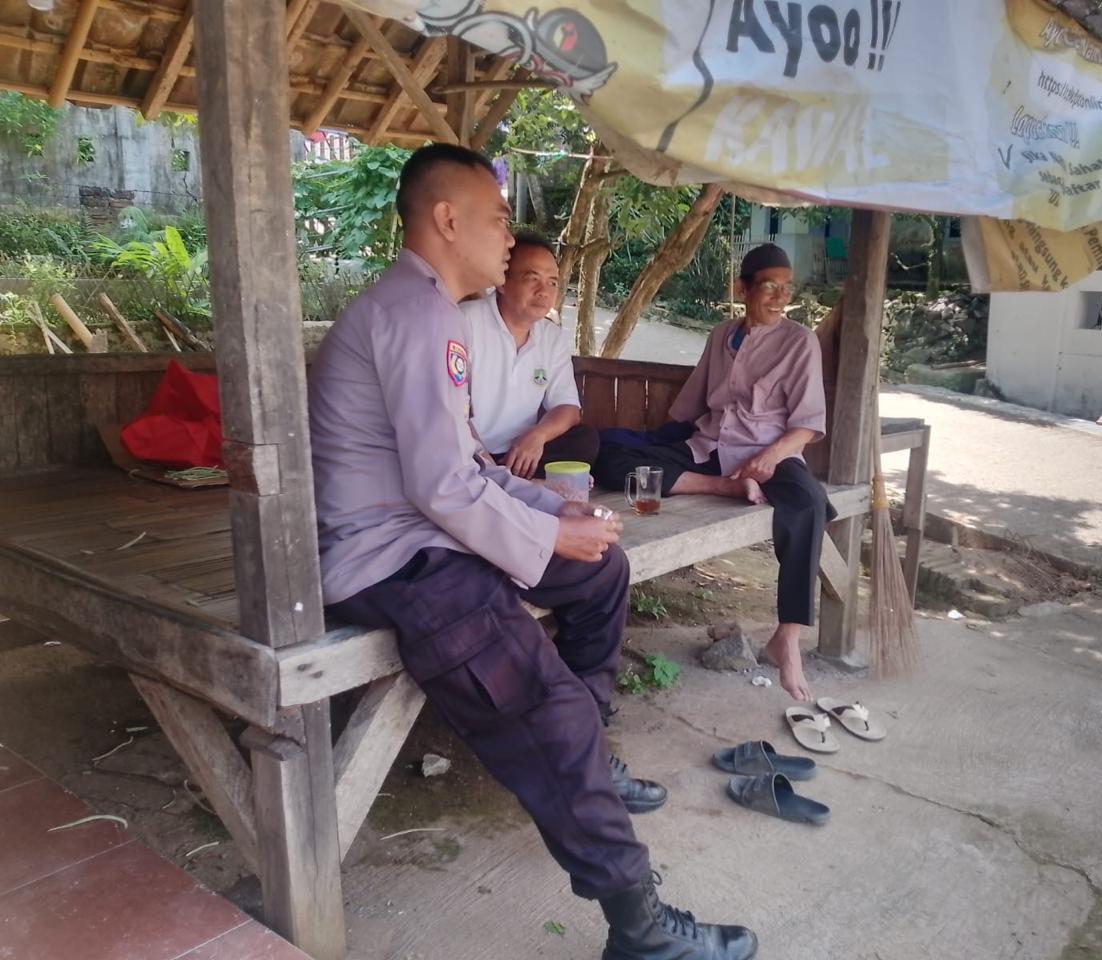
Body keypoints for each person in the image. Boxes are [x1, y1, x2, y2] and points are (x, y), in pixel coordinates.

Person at [308, 143, 756, 960]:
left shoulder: (431, 310)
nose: (510, 238)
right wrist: (548, 532)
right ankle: (640, 928)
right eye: (499, 218)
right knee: (550, 710)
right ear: (448, 220)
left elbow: (467, 465)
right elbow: (442, 488)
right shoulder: (415, 315)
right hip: (393, 559)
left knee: (601, 568)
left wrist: (557, 510)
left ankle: (589, 746)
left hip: (432, 530)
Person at [596, 243, 832, 703]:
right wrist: (655, 443)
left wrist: (770, 456)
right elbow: (690, 405)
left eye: (787, 288)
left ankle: (787, 638)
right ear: (742, 289)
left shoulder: (799, 342)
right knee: (611, 456)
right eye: (770, 287)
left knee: (808, 503)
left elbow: (807, 424)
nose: (780, 297)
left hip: (769, 454)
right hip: (710, 449)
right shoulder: (722, 335)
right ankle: (727, 488)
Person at [461, 232, 599, 478]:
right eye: (532, 279)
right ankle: (500, 480)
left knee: (585, 440)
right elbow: (451, 411)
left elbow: (568, 407)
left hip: (520, 454)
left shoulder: (551, 336)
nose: (544, 291)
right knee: (450, 446)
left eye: (552, 283)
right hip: (468, 447)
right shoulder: (465, 321)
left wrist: (538, 435)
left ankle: (505, 480)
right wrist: (482, 458)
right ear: (502, 281)